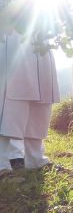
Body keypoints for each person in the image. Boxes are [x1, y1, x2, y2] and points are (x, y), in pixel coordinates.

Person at [0, 31, 60, 178]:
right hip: (13, 37)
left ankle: (35, 159)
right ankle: (2, 166)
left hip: (41, 42)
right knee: (10, 102)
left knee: (41, 103)